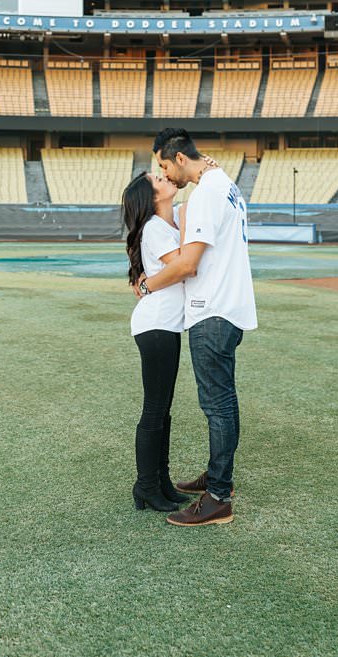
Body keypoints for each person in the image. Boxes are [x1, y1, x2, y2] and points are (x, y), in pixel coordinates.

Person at [136, 130, 255, 527]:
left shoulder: (205, 193)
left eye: (165, 166)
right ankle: (218, 476)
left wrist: (146, 284)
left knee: (217, 405)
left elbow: (188, 265)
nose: (165, 174)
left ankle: (219, 495)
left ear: (179, 159)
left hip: (212, 309)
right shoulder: (225, 185)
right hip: (231, 305)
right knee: (224, 402)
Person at [119, 171, 193, 513]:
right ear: (152, 198)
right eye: (157, 180)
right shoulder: (154, 228)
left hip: (165, 325)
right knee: (154, 410)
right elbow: (183, 266)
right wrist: (147, 285)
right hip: (156, 325)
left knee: (163, 410)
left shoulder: (169, 222)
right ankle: (146, 485)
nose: (165, 177)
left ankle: (161, 481)